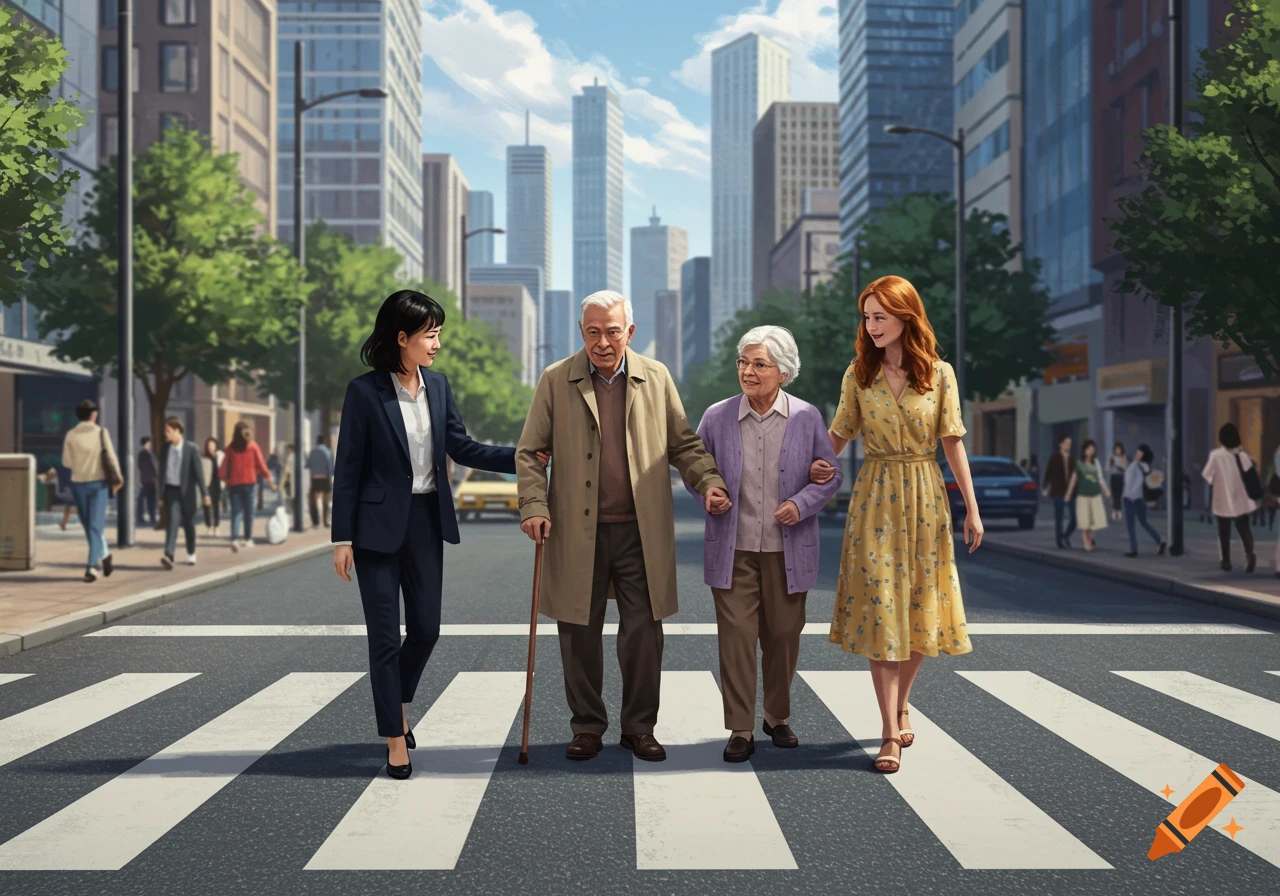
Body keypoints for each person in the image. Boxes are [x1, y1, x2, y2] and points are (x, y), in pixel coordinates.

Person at [331, 289, 539, 782]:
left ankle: (395, 702)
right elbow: (349, 468)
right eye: (430, 335)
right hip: (375, 529)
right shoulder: (364, 392)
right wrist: (342, 538)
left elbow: (462, 447)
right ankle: (394, 739)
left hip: (426, 522)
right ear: (401, 338)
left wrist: (524, 455)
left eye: (438, 334)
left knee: (427, 628)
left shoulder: (438, 386)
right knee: (383, 638)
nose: (437, 343)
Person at [516, 289, 729, 764]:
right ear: (581, 333)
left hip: (639, 530)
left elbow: (684, 444)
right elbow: (530, 452)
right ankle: (587, 728)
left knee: (644, 633)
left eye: (613, 331)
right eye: (593, 332)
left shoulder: (656, 377)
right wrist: (534, 503)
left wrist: (709, 481)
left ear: (630, 332)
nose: (603, 342)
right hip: (575, 529)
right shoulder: (556, 380)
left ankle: (639, 728)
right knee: (577, 632)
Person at [808, 275, 981, 775]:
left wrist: (972, 507)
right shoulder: (857, 375)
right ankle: (889, 732)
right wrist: (813, 463)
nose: (872, 325)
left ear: (907, 317)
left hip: (927, 496)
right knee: (883, 610)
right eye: (867, 316)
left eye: (881, 316)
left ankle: (903, 701)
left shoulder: (940, 374)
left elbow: (953, 442)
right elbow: (837, 434)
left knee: (921, 610)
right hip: (876, 497)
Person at [688, 326, 842, 762]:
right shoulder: (717, 417)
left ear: (783, 372)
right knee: (735, 637)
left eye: (760, 364)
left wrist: (801, 502)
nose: (748, 372)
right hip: (732, 549)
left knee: (783, 635)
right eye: (744, 362)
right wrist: (708, 492)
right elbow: (696, 467)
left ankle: (776, 716)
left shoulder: (806, 417)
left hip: (788, 550)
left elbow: (831, 474)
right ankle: (740, 728)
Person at [60, 398, 122, 582]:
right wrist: (118, 477)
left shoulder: (71, 435)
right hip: (99, 484)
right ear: (93, 415)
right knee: (95, 526)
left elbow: (66, 462)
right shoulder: (102, 432)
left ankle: (92, 566)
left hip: (78, 483)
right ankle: (104, 555)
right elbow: (111, 456)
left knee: (89, 525)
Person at [1201, 422, 1258, 572]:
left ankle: (1226, 561)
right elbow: (1251, 474)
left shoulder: (1215, 455)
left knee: (1224, 532)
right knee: (1244, 530)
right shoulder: (1243, 456)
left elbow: (1207, 475)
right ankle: (1250, 554)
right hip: (1241, 500)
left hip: (1222, 500)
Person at [157, 417, 209, 568]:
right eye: (166, 431)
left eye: (169, 431)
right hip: (171, 490)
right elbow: (162, 473)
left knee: (189, 524)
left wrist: (205, 494)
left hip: (188, 492)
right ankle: (169, 554)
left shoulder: (191, 448)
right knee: (172, 521)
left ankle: (191, 553)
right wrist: (160, 494)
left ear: (177, 430)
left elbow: (199, 473)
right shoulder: (165, 448)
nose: (166, 434)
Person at [220, 421, 274, 551]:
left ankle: (234, 539)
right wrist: (270, 481)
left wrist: (225, 479)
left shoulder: (230, 448)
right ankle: (248, 538)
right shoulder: (253, 446)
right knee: (249, 512)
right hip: (249, 483)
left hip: (234, 484)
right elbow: (261, 465)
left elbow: (222, 469)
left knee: (236, 512)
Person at [1122, 444, 1167, 558]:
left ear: (1143, 455)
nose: (1136, 454)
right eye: (1136, 452)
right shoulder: (1147, 466)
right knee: (1144, 522)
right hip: (1141, 498)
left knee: (1131, 525)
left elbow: (1128, 482)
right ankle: (1159, 540)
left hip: (1130, 498)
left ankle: (1133, 549)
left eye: (1139, 453)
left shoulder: (1134, 465)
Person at [1066, 439, 1109, 551]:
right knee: (1084, 521)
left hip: (1095, 495)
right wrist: (1068, 494)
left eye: (1092, 449)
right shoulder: (1079, 464)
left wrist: (1106, 490)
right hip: (1083, 496)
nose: (1090, 451)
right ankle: (1086, 541)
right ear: (1084, 450)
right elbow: (1073, 480)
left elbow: (1100, 479)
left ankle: (1089, 537)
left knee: (1098, 521)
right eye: (1088, 449)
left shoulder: (1096, 463)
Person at [1042, 435, 1076, 548]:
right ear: (1060, 444)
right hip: (1058, 491)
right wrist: (1044, 486)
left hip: (1070, 492)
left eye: (1070, 443)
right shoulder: (1055, 457)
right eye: (1066, 443)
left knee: (1075, 518)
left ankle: (1065, 535)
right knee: (1059, 518)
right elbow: (1048, 473)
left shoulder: (1072, 458)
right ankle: (1059, 542)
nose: (1068, 445)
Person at [307, 434, 335, 527]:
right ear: (324, 442)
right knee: (325, 500)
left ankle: (315, 522)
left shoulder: (312, 451)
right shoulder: (328, 452)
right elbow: (331, 468)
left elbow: (308, 465)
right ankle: (325, 521)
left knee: (313, 500)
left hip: (314, 478)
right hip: (325, 478)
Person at [204, 437, 225, 536]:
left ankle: (216, 526)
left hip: (217, 484)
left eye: (212, 445)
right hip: (207, 484)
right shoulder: (204, 458)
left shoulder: (220, 456)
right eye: (209, 446)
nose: (211, 447)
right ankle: (209, 526)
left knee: (216, 506)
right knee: (207, 506)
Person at [136, 436, 158, 527]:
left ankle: (141, 518)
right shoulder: (148, 454)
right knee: (151, 501)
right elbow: (154, 467)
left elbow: (139, 467)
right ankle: (151, 518)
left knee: (143, 499)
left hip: (145, 480)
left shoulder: (141, 454)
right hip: (151, 481)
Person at [1106, 442, 1127, 522]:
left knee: (1119, 495)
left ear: (1121, 450)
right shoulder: (1112, 457)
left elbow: (1126, 468)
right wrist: (1111, 463)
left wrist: (1120, 463)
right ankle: (1114, 511)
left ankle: (1119, 511)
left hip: (1120, 477)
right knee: (1114, 495)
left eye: (1119, 449)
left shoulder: (1123, 457)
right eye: (1116, 449)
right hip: (1113, 477)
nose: (1118, 451)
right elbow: (1108, 468)